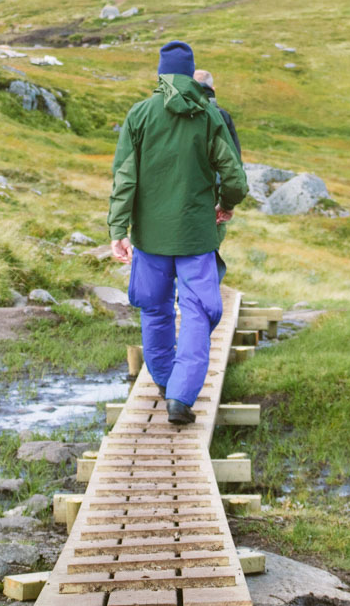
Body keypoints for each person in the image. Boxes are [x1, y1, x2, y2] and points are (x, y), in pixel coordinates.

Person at [108, 41, 247, 425]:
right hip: (196, 238)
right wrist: (226, 204)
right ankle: (182, 398)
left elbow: (124, 179)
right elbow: (234, 177)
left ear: (160, 72)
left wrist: (118, 228)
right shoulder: (208, 116)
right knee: (198, 311)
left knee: (154, 308)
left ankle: (167, 383)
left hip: (149, 239)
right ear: (190, 73)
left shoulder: (139, 115)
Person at [193, 69, 241, 281]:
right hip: (212, 199)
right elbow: (233, 165)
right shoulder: (222, 116)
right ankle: (202, 304)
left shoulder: (175, 113)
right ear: (213, 89)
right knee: (207, 255)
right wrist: (226, 203)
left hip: (180, 199)